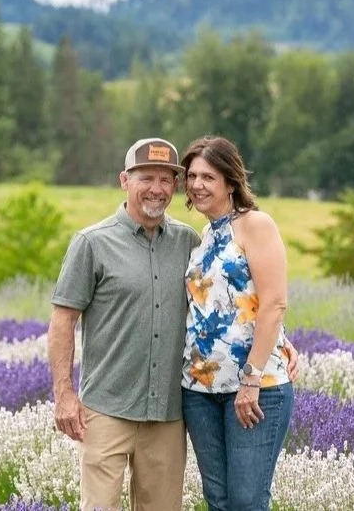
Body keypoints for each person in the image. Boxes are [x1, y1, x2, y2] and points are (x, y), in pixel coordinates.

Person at [48, 137, 298, 511]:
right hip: (120, 405)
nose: (158, 189)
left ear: (230, 182)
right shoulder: (96, 243)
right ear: (124, 180)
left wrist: (278, 343)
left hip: (175, 410)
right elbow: (62, 320)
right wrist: (64, 393)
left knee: (239, 501)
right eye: (146, 178)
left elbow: (260, 299)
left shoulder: (192, 239)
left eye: (168, 180)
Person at [180, 135, 294, 511]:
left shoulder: (255, 225)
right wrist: (286, 340)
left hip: (254, 389)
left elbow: (275, 302)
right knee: (219, 501)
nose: (197, 185)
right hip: (199, 390)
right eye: (192, 176)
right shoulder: (203, 239)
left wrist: (252, 378)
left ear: (230, 181)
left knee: (246, 502)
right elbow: (238, 302)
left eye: (208, 177)